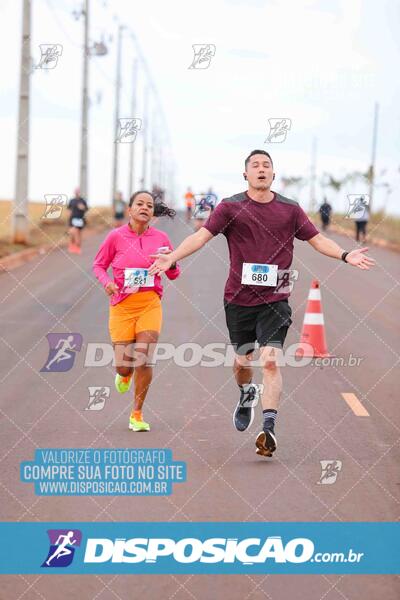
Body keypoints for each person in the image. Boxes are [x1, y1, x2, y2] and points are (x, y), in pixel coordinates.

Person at [149, 149, 375, 458]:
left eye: (266, 165)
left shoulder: (290, 210)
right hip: (238, 299)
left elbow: (317, 239)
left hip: (275, 300)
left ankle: (268, 429)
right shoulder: (230, 208)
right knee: (243, 362)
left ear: (273, 174)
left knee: (270, 361)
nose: (261, 169)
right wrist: (172, 256)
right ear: (245, 174)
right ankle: (246, 392)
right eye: (255, 165)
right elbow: (201, 236)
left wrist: (346, 254)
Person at [93, 191, 180, 432]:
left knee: (143, 357)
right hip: (121, 306)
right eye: (139, 204)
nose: (144, 208)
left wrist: (170, 261)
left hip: (149, 303)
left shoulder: (162, 239)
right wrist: (107, 283)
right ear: (129, 209)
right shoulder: (115, 237)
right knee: (124, 365)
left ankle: (137, 414)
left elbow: (174, 273)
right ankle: (123, 375)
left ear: (153, 212)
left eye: (149, 205)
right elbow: (99, 265)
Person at [67, 188, 88, 254]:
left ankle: (78, 247)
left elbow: (86, 209)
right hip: (73, 219)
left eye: (78, 192)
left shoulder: (83, 200)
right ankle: (72, 246)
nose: (77, 193)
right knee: (72, 233)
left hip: (80, 219)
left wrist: (83, 207)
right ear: (74, 192)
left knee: (79, 234)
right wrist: (68, 217)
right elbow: (69, 209)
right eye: (76, 192)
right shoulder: (72, 200)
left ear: (79, 192)